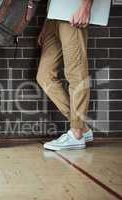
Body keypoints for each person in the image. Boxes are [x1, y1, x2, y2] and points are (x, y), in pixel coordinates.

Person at [37, 0, 94, 151]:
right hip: (53, 17)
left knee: (76, 74)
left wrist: (85, 7)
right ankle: (83, 128)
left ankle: (76, 134)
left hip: (73, 13)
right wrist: (46, 23)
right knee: (44, 76)